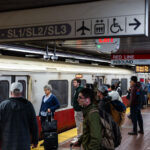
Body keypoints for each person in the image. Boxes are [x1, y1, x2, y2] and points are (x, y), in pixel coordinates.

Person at [0, 82, 38, 150]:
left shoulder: (3, 105)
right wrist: (35, 141)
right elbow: (34, 125)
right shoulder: (28, 105)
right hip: (24, 144)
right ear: (21, 92)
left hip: (7, 144)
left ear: (11, 92)